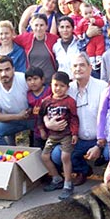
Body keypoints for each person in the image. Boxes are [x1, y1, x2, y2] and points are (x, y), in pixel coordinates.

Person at [48, 53, 109, 186]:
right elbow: (48, 105)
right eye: (75, 66)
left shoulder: (102, 87)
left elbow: (109, 118)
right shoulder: (67, 89)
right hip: (77, 139)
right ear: (71, 69)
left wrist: (99, 145)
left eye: (82, 65)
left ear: (90, 67)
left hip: (102, 138)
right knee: (57, 155)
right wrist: (48, 122)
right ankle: (83, 170)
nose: (78, 68)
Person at [36, 71, 80, 200]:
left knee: (65, 156)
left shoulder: (69, 102)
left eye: (62, 86)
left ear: (67, 87)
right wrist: (42, 130)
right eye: (55, 85)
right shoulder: (46, 101)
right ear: (51, 85)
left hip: (66, 134)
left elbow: (74, 118)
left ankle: (68, 184)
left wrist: (75, 133)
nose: (58, 88)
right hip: (52, 135)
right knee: (44, 156)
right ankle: (56, 178)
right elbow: (40, 116)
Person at [0, 13, 59, 82]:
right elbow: (8, 38)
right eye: (36, 25)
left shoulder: (53, 39)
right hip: (32, 81)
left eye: (41, 25)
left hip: (50, 80)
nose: (38, 28)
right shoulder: (26, 38)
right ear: (31, 26)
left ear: (47, 26)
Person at [0, 56, 32, 145]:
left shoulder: (23, 79)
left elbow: (39, 95)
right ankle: (7, 155)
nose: (3, 74)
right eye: (0, 70)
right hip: (10, 120)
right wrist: (17, 116)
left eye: (7, 69)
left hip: (31, 117)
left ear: (13, 69)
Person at [26, 66, 52, 148]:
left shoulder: (49, 91)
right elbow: (31, 108)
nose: (32, 82)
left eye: (35, 78)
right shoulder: (28, 95)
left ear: (42, 79)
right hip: (37, 129)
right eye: (29, 80)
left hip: (51, 127)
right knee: (38, 149)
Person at [76, 2, 105, 73]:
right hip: (90, 40)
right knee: (90, 50)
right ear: (81, 14)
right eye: (86, 14)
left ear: (93, 11)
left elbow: (102, 23)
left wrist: (95, 21)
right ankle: (92, 62)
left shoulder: (96, 18)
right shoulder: (82, 22)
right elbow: (77, 29)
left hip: (98, 38)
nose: (89, 15)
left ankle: (99, 58)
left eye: (90, 12)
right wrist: (79, 35)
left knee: (100, 47)